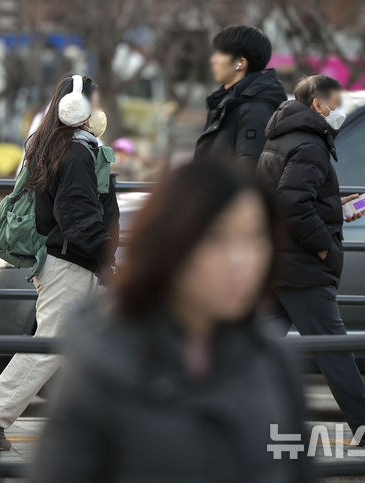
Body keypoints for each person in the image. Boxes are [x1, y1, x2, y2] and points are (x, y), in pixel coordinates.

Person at [32, 160, 313, 483]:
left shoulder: (275, 359)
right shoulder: (101, 364)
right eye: (216, 238)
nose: (241, 260)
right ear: (172, 243)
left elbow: (298, 468)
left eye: (255, 237)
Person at [256, 75, 365, 446]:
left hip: (281, 260)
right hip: (303, 265)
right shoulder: (310, 146)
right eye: (335, 102)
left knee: (254, 344)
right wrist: (326, 247)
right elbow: (292, 204)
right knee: (332, 346)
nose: (339, 110)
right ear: (317, 105)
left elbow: (290, 198)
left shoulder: (281, 137)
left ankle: (209, 410)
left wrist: (336, 209)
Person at [0, 75, 119, 451]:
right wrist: (105, 260)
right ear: (75, 106)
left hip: (75, 262)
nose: (97, 108)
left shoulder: (67, 145)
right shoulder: (76, 152)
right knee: (49, 346)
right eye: (93, 100)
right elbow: (76, 217)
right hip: (70, 263)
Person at [193, 25, 286, 169]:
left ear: (240, 63)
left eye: (220, 53)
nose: (213, 60)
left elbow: (248, 174)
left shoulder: (254, 108)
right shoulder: (227, 104)